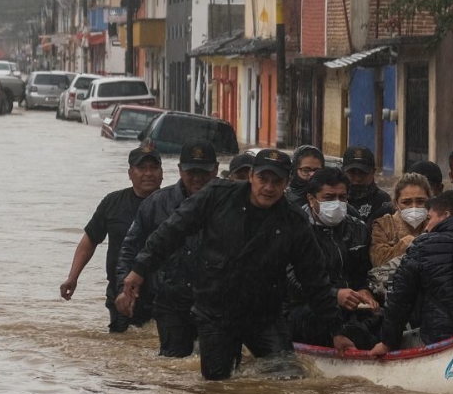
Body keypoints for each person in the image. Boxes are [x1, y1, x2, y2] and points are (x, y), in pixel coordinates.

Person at [118, 149, 359, 381]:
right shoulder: (217, 195)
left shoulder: (294, 221)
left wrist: (336, 331)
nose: (268, 187)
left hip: (264, 315)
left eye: (277, 181)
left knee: (287, 376)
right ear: (251, 176)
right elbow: (171, 232)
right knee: (217, 386)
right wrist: (138, 271)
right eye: (263, 178)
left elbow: (314, 279)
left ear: (287, 183)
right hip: (216, 312)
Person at [117, 141, 218, 357]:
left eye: (204, 171)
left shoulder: (232, 204)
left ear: (216, 170)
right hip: (171, 301)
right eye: (191, 171)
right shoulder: (156, 204)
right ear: (180, 169)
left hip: (215, 303)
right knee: (173, 366)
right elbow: (130, 249)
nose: (198, 178)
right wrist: (122, 289)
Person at [59, 147, 163, 333]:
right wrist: (73, 277)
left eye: (154, 168)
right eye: (141, 168)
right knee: (122, 346)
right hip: (121, 291)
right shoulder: (113, 202)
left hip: (163, 293)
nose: (148, 173)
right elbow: (90, 240)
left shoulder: (173, 203)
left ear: (162, 173)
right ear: (130, 173)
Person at [372, 190, 453, 354]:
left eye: (429, 219)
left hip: (437, 342)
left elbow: (400, 299)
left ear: (445, 215)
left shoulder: (423, 246)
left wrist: (387, 343)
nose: (427, 226)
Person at [289, 167, 377, 348]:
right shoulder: (296, 230)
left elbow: (364, 271)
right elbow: (291, 281)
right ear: (311, 199)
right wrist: (333, 295)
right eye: (329, 198)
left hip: (351, 306)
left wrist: (365, 290)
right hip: (306, 307)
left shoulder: (358, 228)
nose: (337, 203)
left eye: (342, 198)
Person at [370, 172, 434, 266]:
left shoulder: (437, 225)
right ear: (396, 204)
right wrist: (406, 243)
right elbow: (378, 260)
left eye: (420, 201)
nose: (414, 207)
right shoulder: (384, 225)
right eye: (406, 202)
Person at [342, 145, 394, 225]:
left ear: (373, 172)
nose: (358, 178)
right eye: (352, 173)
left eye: (363, 173)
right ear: (343, 172)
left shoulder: (382, 201)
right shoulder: (336, 198)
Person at [289, 145, 326, 209]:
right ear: (295, 171)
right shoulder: (284, 201)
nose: (311, 175)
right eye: (306, 171)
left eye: (317, 171)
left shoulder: (331, 197)